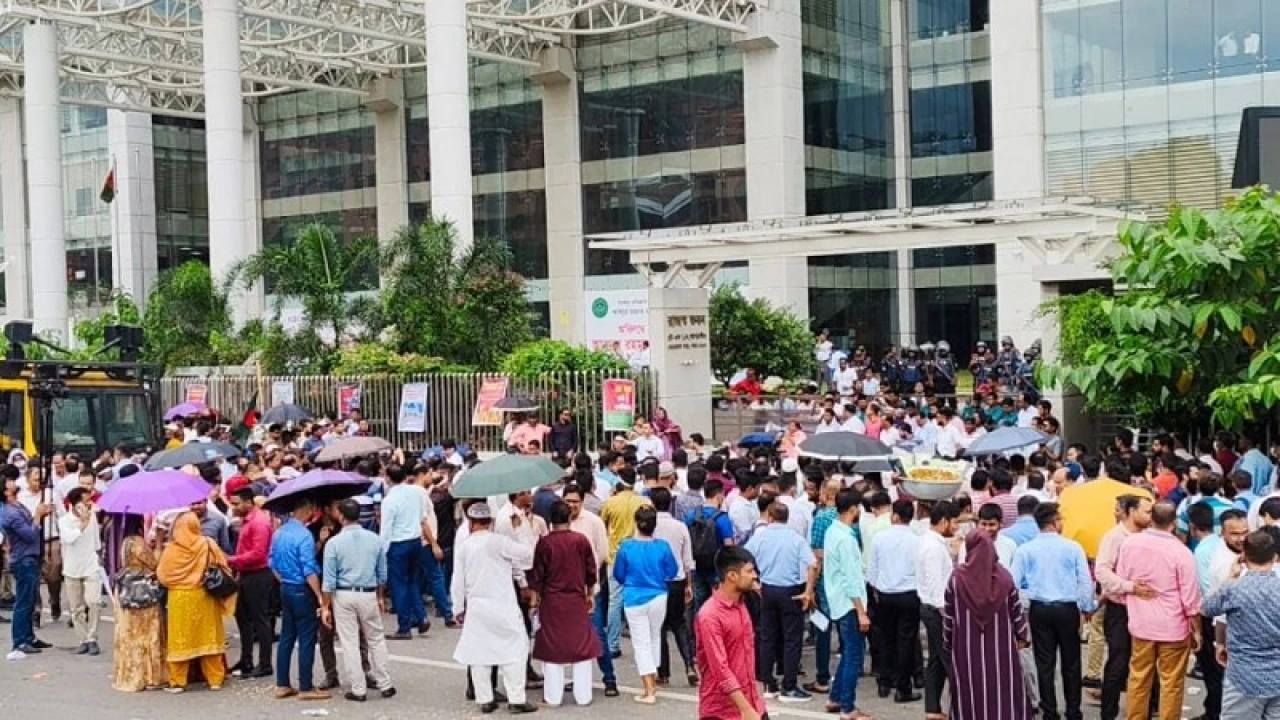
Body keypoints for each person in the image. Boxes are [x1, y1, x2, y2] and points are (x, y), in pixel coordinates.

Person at [1114, 500, 1201, 720]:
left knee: (1138, 677)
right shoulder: (1181, 553)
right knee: (1171, 682)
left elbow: (1123, 578)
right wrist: (1196, 629)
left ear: (1151, 518)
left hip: (1141, 623)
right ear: (1174, 523)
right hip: (1173, 626)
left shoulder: (1130, 544)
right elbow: (1190, 598)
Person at [1010, 502, 1096, 720]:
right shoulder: (1073, 547)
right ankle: (1073, 710)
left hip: (1039, 609)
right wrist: (1087, 606)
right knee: (1071, 662)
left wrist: (1025, 601)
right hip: (1067, 608)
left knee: (1044, 663)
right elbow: (1085, 580)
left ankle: (1049, 710)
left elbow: (1012, 583)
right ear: (1055, 522)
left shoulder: (1025, 550)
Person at [451, 502, 538, 715]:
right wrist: (520, 529)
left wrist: (458, 607)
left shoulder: (465, 546)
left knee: (479, 652)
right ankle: (516, 699)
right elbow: (527, 554)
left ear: (471, 523)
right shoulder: (500, 542)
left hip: (477, 605)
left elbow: (457, 579)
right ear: (489, 522)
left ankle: (485, 698)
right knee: (515, 649)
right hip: (503, 604)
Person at [945, 532, 1033, 720]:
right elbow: (1017, 615)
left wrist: (948, 641)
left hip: (966, 650)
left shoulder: (956, 579)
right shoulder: (1005, 579)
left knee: (969, 690)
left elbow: (949, 617)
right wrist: (1022, 637)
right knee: (1002, 692)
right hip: (1001, 650)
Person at [319, 499, 395, 703]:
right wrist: (380, 596)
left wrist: (325, 606)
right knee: (376, 638)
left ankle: (358, 688)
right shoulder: (375, 539)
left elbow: (328, 580)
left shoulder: (333, 543)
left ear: (341, 517)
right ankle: (385, 682)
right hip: (369, 593)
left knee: (350, 642)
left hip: (344, 595)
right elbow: (382, 573)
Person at [529, 500, 601, 708]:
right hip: (576, 598)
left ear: (551, 520)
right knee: (581, 647)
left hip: (552, 601)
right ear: (569, 518)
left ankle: (553, 697)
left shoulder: (545, 543)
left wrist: (534, 602)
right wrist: (589, 595)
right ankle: (583, 695)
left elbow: (537, 576)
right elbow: (590, 571)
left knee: (552, 648)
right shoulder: (580, 541)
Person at [744, 501, 818, 703]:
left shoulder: (761, 537)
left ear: (769, 516)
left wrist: (754, 582)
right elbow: (813, 564)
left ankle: (767, 682)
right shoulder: (796, 539)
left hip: (767, 589)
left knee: (767, 636)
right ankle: (789, 685)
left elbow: (744, 557)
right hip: (791, 590)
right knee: (792, 639)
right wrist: (808, 591)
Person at [1201, 530, 1280, 719]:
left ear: (1243, 556)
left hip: (1243, 675)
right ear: (1274, 557)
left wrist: (1231, 577)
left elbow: (1206, 608)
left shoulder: (1234, 589)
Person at [156, 512, 235, 693]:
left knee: (179, 640)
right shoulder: (207, 544)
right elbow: (222, 564)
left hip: (179, 598)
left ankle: (178, 682)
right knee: (209, 637)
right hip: (204, 596)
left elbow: (163, 576)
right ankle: (215, 679)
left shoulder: (172, 550)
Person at [1093, 494, 1156, 720]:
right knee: (1118, 663)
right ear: (1130, 512)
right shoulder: (1114, 537)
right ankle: (1108, 712)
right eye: (1147, 511)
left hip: (1146, 608)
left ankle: (1147, 709)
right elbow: (1102, 571)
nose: (1151, 515)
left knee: (1147, 662)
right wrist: (1129, 587)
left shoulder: (1150, 535)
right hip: (1120, 608)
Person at [614, 505, 679, 704]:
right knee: (654, 637)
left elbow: (619, 574)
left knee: (641, 643)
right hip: (659, 595)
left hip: (634, 597)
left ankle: (648, 688)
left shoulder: (626, 546)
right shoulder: (663, 546)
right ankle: (654, 680)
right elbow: (673, 570)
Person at [694, 545, 767, 720]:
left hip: (753, 703)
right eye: (749, 571)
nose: (754, 576)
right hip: (722, 711)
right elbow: (720, 669)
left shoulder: (743, 602)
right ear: (732, 576)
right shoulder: (710, 616)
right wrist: (746, 710)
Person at [269, 500, 330, 701]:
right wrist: (320, 596)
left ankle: (283, 684)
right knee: (306, 638)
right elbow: (309, 570)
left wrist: (284, 580)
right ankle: (306, 685)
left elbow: (272, 561)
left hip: (286, 586)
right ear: (306, 510)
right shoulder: (303, 534)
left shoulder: (280, 532)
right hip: (301, 589)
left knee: (287, 636)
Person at [563, 484, 618, 696]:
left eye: (575, 502)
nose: (571, 506)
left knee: (597, 634)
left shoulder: (593, 522)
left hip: (589, 589)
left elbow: (602, 553)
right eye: (568, 501)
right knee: (573, 637)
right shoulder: (559, 521)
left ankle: (609, 678)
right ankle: (578, 678)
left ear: (582, 501)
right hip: (567, 590)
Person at [866, 499, 922, 703]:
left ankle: (884, 681)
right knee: (906, 641)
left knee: (886, 639)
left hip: (885, 594)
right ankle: (903, 686)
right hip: (909, 594)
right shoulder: (917, 540)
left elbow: (872, 569)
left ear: (894, 515)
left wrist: (874, 590)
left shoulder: (880, 538)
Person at [823, 489, 871, 719]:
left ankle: (836, 697)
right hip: (850, 603)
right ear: (853, 509)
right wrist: (861, 611)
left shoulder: (833, 531)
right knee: (854, 655)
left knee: (848, 652)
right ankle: (848, 707)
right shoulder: (846, 539)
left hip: (838, 600)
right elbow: (852, 578)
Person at [0, 470, 53, 659]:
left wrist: (41, 515)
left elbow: (31, 524)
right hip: (23, 559)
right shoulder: (9, 513)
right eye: (9, 482)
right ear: (5, 491)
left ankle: (29, 637)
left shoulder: (17, 505)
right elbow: (29, 534)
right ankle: (20, 640)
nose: (13, 482)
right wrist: (38, 515)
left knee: (30, 600)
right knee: (23, 602)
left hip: (31, 556)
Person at [649, 487, 696, 687]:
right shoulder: (680, 526)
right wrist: (688, 584)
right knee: (679, 624)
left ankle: (663, 671)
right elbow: (687, 560)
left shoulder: (649, 526)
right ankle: (689, 665)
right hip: (677, 580)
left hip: (656, 581)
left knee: (659, 626)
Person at [917, 500, 959, 720]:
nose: (957, 527)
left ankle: (933, 708)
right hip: (937, 609)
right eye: (955, 522)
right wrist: (948, 615)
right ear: (943, 522)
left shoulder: (931, 542)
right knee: (950, 660)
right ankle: (963, 707)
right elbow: (936, 586)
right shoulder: (933, 547)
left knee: (936, 660)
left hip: (932, 608)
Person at [226, 486, 274, 678]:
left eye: (236, 503)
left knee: (259, 620)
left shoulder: (259, 522)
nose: (233, 507)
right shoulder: (247, 521)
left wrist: (231, 560)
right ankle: (246, 660)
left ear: (248, 502)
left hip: (258, 574)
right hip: (246, 574)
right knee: (243, 618)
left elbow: (258, 553)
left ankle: (265, 663)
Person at [601, 467, 649, 656]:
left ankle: (612, 644)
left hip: (615, 556)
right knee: (641, 599)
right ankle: (644, 644)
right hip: (640, 556)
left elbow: (603, 526)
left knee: (615, 601)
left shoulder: (610, 503)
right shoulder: (644, 502)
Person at [112, 535, 166, 692]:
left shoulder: (125, 545)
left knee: (128, 636)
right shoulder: (139, 545)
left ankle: (130, 673)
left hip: (126, 592)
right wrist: (159, 545)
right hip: (144, 594)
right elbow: (155, 564)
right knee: (148, 635)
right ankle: (150, 676)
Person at [379, 464, 428, 639]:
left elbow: (386, 530)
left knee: (399, 585)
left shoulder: (389, 501)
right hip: (415, 540)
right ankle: (421, 616)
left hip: (398, 543)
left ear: (388, 478)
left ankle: (404, 626)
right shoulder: (415, 493)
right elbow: (422, 516)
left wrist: (381, 552)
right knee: (412, 581)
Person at [59, 487, 102, 656]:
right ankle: (83, 639)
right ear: (75, 504)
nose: (88, 505)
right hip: (72, 567)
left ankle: (92, 637)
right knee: (76, 607)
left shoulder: (93, 518)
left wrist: (99, 557)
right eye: (85, 501)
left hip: (90, 565)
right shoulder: (64, 521)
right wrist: (82, 525)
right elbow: (69, 539)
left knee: (94, 602)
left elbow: (96, 542)